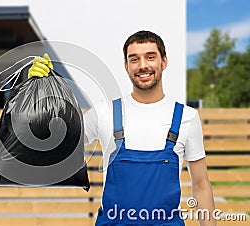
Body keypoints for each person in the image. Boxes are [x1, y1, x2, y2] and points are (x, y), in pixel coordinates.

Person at [28, 30, 216, 225]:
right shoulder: (104, 112)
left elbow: (201, 185)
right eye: (134, 59)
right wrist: (39, 91)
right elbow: (56, 142)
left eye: (150, 57)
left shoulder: (187, 117)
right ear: (126, 66)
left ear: (164, 61)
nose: (142, 65)